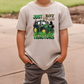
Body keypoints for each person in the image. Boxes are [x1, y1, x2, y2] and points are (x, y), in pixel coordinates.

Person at [16, 0, 73, 84]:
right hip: (32, 59)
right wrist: (22, 55)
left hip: (55, 59)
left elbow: (63, 32)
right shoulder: (26, 10)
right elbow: (21, 33)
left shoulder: (61, 9)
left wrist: (63, 54)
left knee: (59, 82)